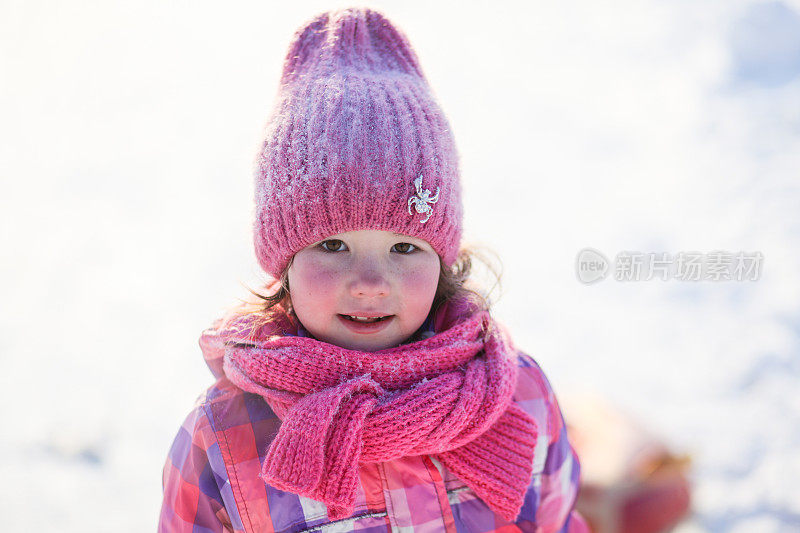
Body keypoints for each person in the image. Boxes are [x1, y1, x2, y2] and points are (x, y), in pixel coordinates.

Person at [159, 7, 589, 533]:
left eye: (405, 248)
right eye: (334, 244)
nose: (368, 283)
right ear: (284, 263)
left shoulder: (515, 394)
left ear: (442, 260)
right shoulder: (227, 437)